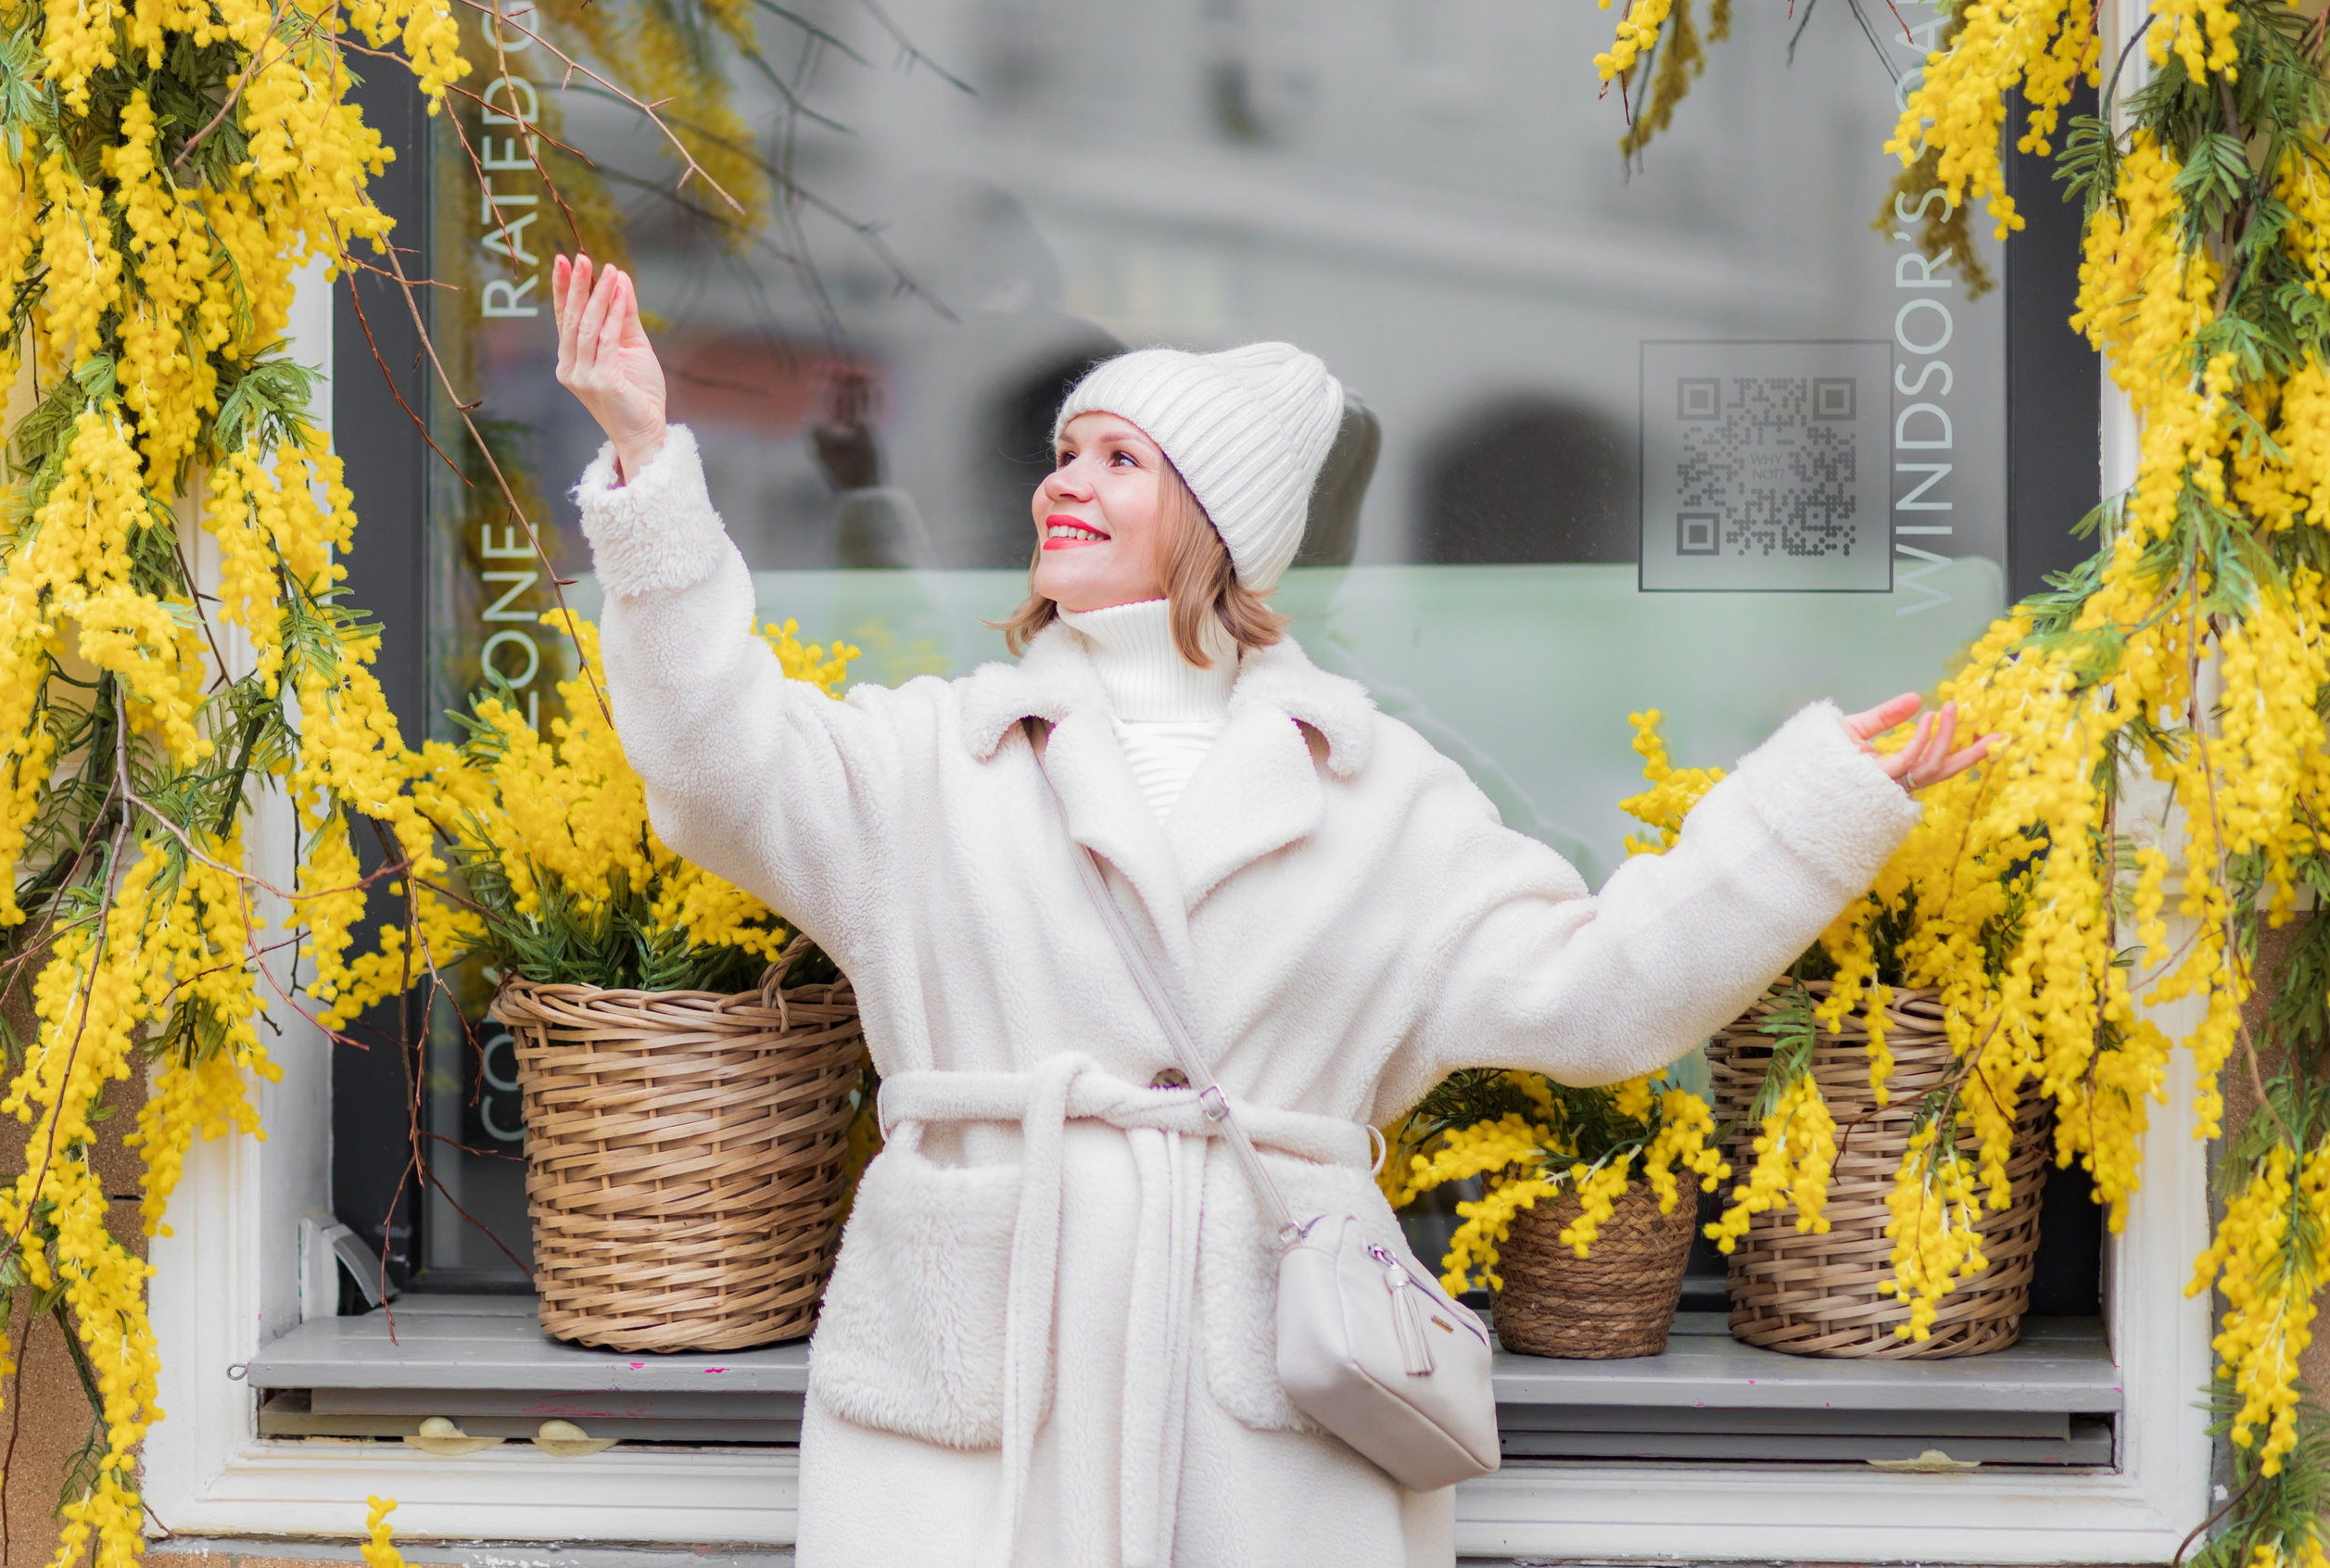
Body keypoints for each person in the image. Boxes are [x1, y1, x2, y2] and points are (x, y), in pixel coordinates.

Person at [549, 254, 1988, 1568]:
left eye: (1120, 458)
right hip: (981, 1397)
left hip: (1259, 1432)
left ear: (1217, 522)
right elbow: (713, 761)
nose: (1066, 480)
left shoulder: (1376, 795)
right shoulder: (937, 755)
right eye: (1063, 453)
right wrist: (646, 463)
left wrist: (1808, 809)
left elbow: (1605, 998)